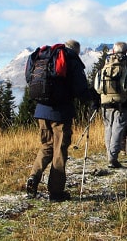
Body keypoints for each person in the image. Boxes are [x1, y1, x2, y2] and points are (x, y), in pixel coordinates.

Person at [26, 39, 92, 202]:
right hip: (61, 112)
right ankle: (56, 192)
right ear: (77, 51)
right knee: (60, 150)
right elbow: (80, 89)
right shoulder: (72, 59)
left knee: (47, 146)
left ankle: (33, 178)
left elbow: (29, 79)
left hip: (41, 109)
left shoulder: (44, 57)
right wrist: (93, 98)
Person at [97, 42, 127, 168]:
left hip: (105, 101)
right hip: (123, 102)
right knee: (118, 128)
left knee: (108, 127)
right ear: (126, 51)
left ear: (113, 50)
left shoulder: (106, 63)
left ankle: (109, 154)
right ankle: (113, 157)